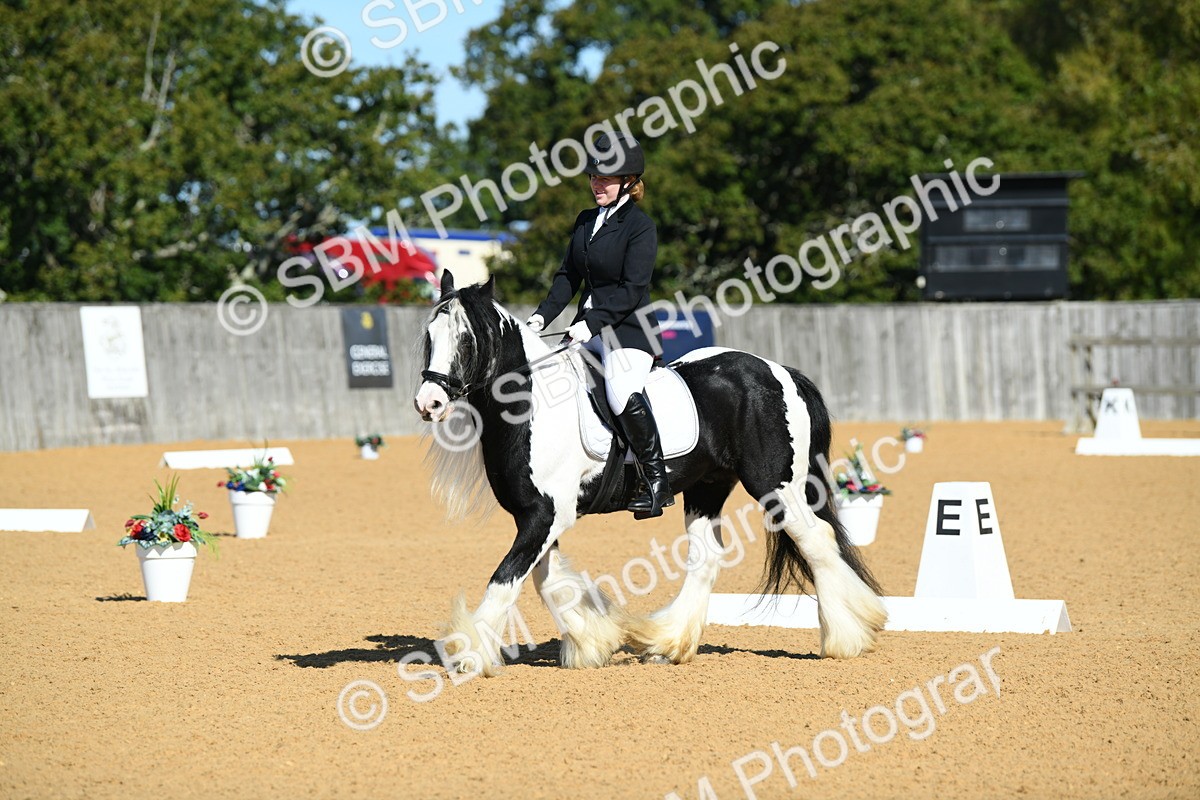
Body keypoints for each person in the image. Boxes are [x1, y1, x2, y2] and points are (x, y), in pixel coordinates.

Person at [526, 133, 673, 518]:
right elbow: (567, 277)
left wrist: (590, 323)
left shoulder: (640, 227)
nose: (596, 185)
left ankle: (656, 481)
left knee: (621, 389)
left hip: (629, 331)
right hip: (586, 328)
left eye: (604, 179)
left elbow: (632, 289)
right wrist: (542, 315)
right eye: (593, 178)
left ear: (628, 181)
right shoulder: (585, 220)